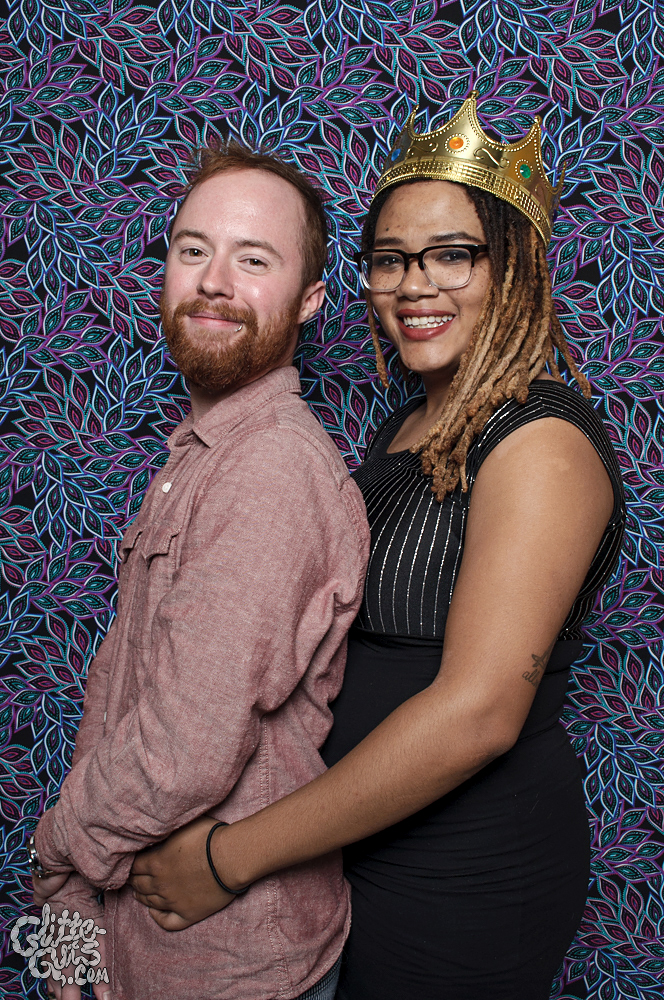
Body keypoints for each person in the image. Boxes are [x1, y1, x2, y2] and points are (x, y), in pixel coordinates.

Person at [129, 93, 625, 1000]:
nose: (414, 285)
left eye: (452, 254)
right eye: (391, 260)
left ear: (516, 267)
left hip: (467, 878)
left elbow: (479, 713)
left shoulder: (542, 443)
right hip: (349, 856)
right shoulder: (408, 427)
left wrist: (231, 857)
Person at [28, 142, 370, 1000]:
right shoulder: (197, 457)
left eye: (253, 260)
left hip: (230, 966)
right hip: (131, 941)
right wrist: (69, 922)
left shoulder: (270, 470)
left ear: (309, 301)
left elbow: (186, 747)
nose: (214, 281)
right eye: (193, 249)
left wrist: (53, 852)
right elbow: (119, 692)